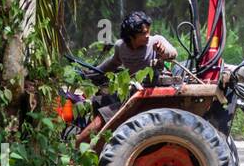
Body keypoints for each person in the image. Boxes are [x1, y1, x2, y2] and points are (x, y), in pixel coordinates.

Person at [75, 12, 179, 146]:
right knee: (98, 101)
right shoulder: (121, 47)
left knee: (104, 116)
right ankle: (102, 146)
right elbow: (111, 63)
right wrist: (88, 74)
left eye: (148, 31)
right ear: (131, 36)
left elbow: (172, 53)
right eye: (143, 33)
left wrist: (163, 51)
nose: (147, 35)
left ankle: (75, 146)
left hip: (150, 93)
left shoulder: (155, 41)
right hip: (132, 91)